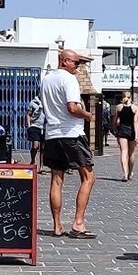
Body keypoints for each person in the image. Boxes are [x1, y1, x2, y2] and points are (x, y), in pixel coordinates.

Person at [39, 48, 97, 238]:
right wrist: (87, 115)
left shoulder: (46, 80)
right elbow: (72, 107)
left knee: (57, 179)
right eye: (75, 63)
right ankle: (78, 223)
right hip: (71, 133)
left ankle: (57, 225)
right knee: (88, 177)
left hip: (52, 134)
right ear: (64, 61)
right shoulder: (68, 79)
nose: (78, 67)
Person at [113, 91, 138, 181]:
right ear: (131, 97)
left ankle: (124, 173)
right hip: (131, 131)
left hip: (122, 130)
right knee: (131, 153)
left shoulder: (118, 107)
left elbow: (115, 120)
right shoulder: (135, 108)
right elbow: (135, 122)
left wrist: (115, 130)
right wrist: (136, 135)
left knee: (123, 152)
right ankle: (130, 172)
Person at [25, 95, 45, 167]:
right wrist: (29, 125)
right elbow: (28, 114)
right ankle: (33, 160)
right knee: (35, 146)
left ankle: (41, 166)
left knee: (43, 148)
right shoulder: (33, 103)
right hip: (35, 126)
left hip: (45, 127)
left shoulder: (47, 102)